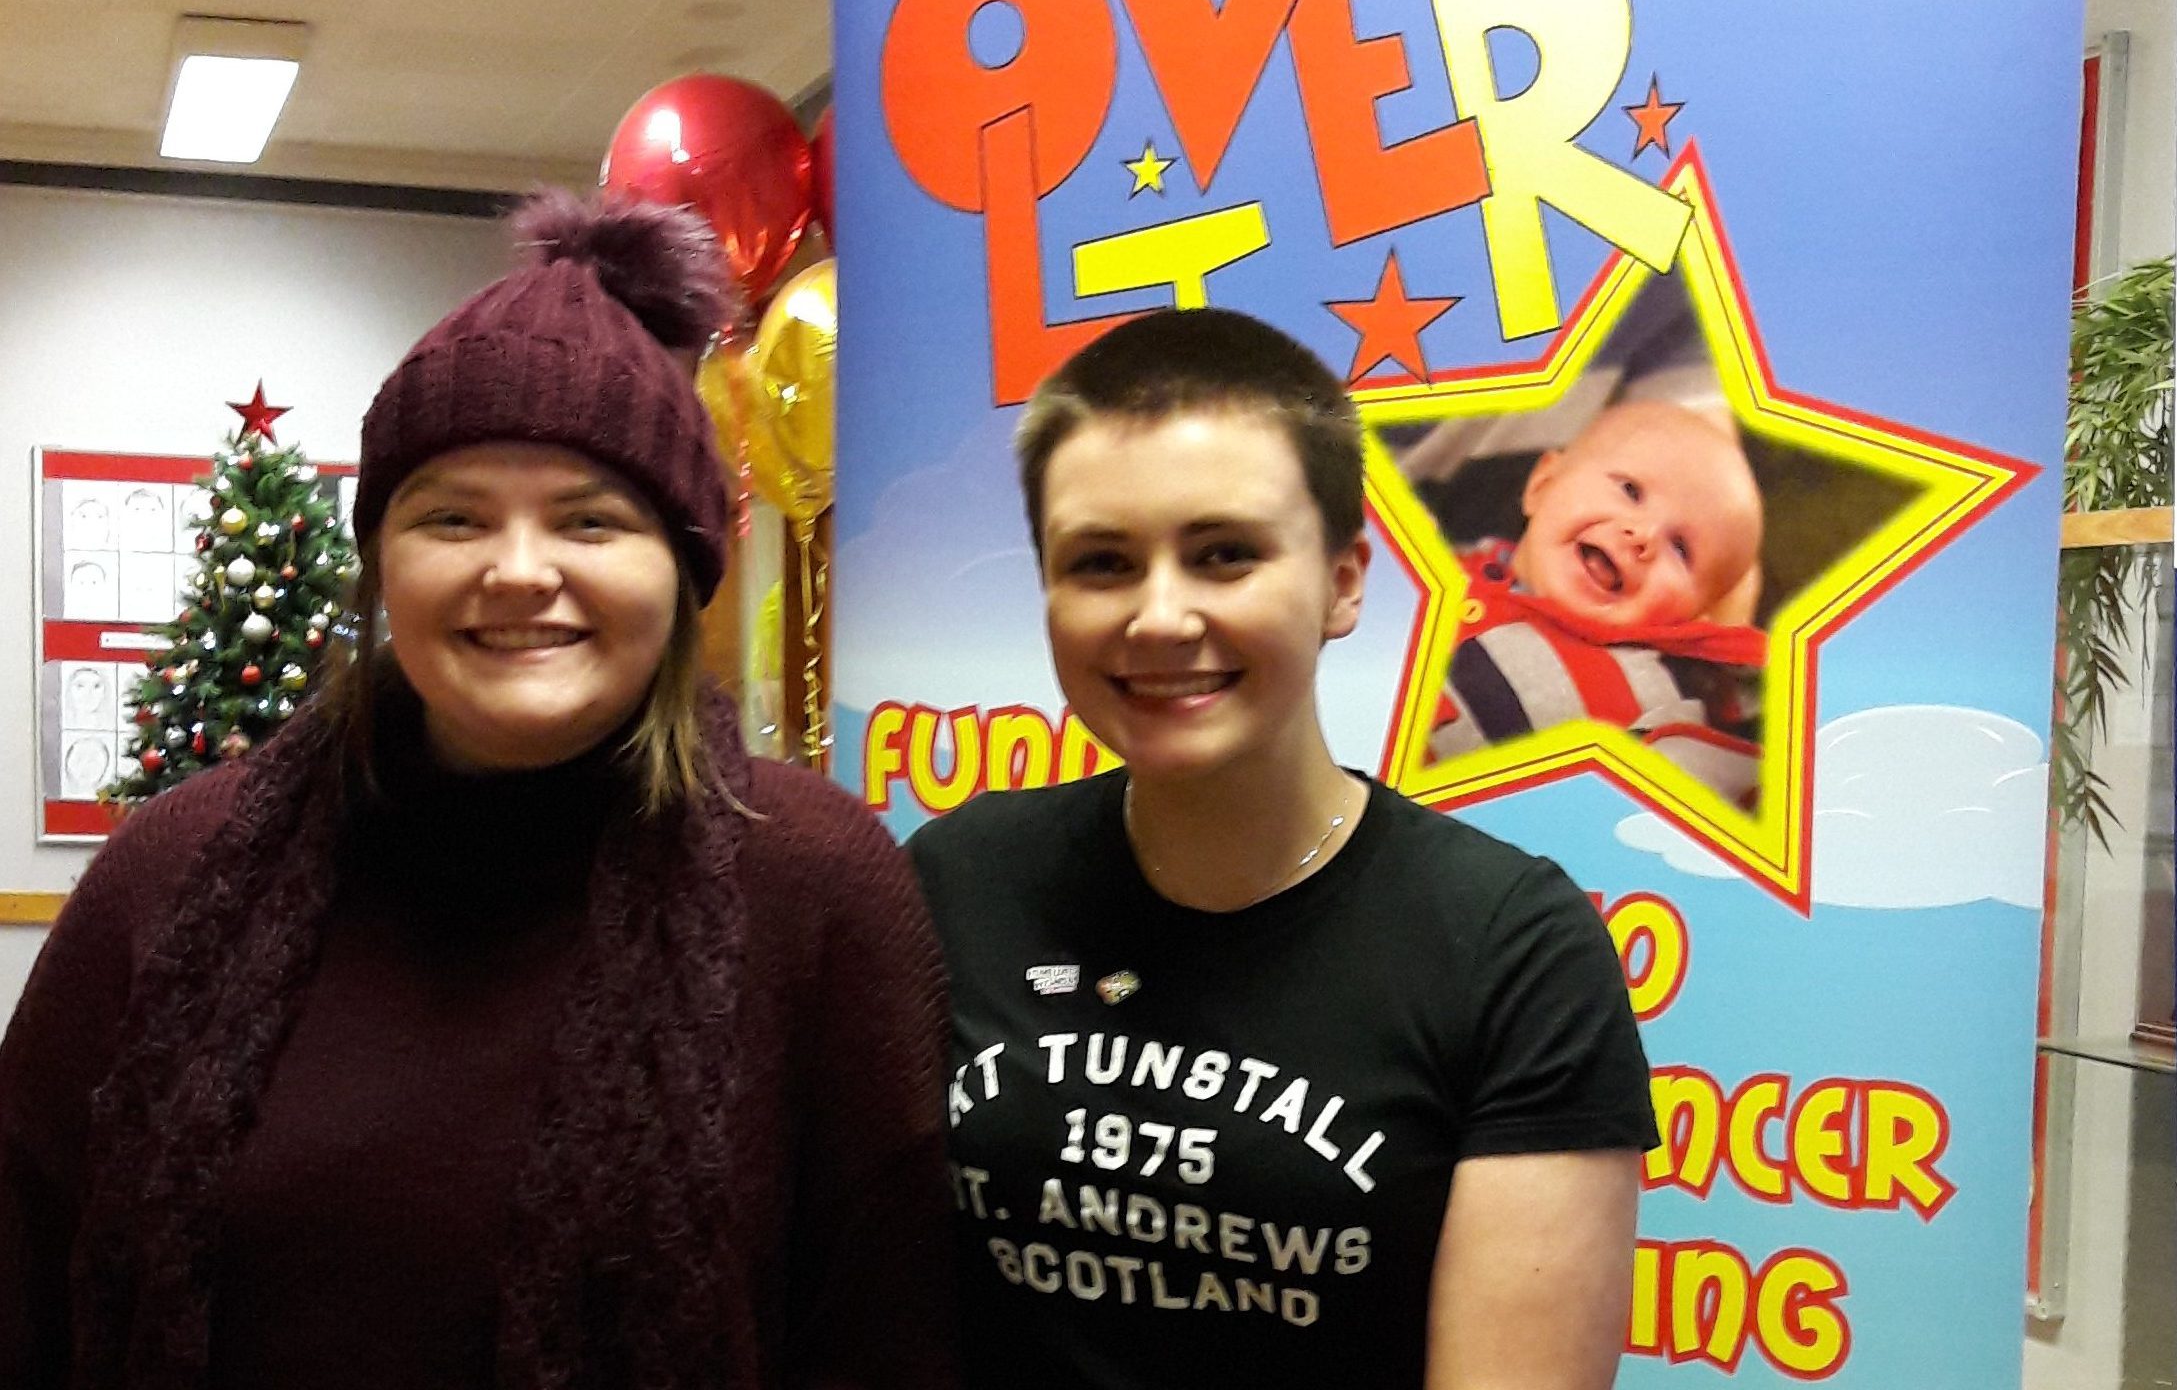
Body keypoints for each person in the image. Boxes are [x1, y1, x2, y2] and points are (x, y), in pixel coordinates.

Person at [0, 192, 954, 1390]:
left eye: (589, 521)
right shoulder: (178, 869)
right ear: (382, 562)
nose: (517, 571)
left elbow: (892, 1330)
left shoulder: (813, 882)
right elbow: (23, 1269)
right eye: (451, 517)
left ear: (682, 566)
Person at [909, 308, 1656, 1390]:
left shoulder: (1511, 950)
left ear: (1344, 580)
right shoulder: (960, 878)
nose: (1159, 616)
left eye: (1224, 554)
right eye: (1101, 562)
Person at [1427, 401, 1768, 802]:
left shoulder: (1657, 701)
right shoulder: (1436, 565)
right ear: (1543, 485)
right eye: (1630, 490)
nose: (1642, 534)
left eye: (1681, 548)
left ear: (1692, 618)